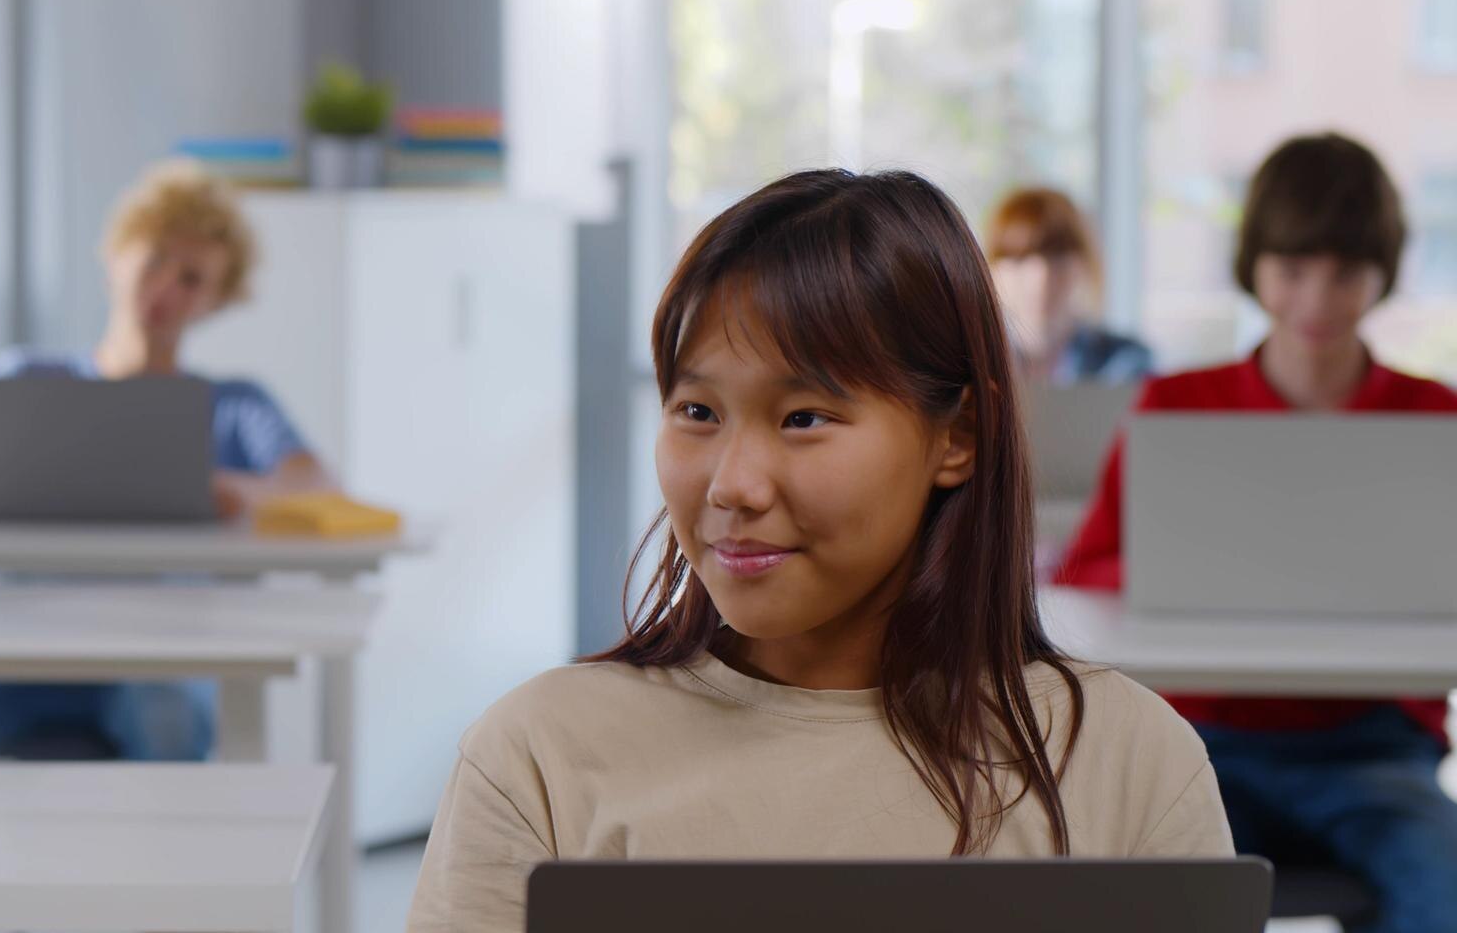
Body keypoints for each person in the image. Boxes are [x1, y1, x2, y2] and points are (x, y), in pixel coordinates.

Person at [406, 169, 1232, 932]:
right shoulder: (536, 753)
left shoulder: (1125, 759)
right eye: (696, 411)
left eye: (803, 417)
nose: (733, 484)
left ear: (959, 434)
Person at [1055, 132, 1457, 932]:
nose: (1316, 299)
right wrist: (1184, 567)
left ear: (1381, 274)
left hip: (1374, 746)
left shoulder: (1434, 419)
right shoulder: (1176, 406)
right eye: (1293, 268)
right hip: (1203, 745)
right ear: (1254, 266)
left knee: (1441, 887)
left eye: (1344, 272)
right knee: (1137, 888)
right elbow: (1085, 571)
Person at [0, 159, 331, 760]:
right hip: (32, 641)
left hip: (164, 654)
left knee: (166, 711)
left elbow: (315, 484)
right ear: (117, 258)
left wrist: (234, 491)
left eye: (192, 278)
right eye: (156, 258)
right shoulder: (27, 381)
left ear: (215, 300)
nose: (166, 288)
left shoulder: (233, 406)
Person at [986, 187, 1153, 383]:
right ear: (989, 269)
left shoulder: (1126, 362)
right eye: (1018, 259)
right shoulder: (969, 364)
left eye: (1057, 255)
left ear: (1085, 264)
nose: (1040, 278)